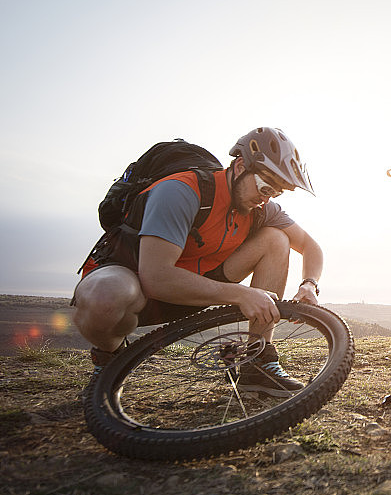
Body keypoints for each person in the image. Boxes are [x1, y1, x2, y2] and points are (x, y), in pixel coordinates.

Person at [72, 127, 322, 397]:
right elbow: (156, 278)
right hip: (139, 284)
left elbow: (311, 247)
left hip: (196, 286)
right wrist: (241, 294)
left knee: (276, 239)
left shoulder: (260, 208)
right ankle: (108, 361)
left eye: (275, 193)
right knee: (105, 297)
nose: (266, 198)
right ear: (240, 167)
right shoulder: (180, 191)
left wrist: (309, 285)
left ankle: (258, 361)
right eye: (265, 187)